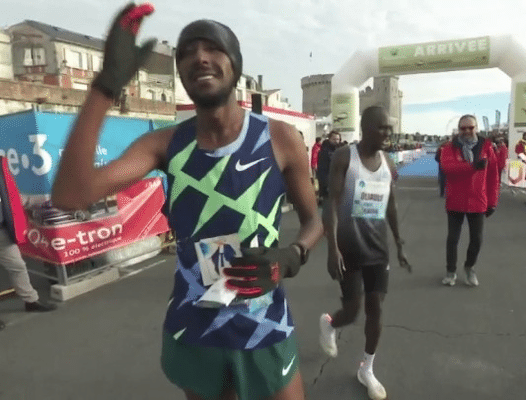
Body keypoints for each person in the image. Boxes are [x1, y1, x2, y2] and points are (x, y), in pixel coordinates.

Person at [51, 5, 323, 400]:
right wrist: (105, 87)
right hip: (195, 324)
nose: (199, 57)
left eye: (212, 47)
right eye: (187, 52)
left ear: (236, 64)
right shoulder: (164, 144)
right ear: (180, 73)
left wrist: (293, 255)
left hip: (264, 320)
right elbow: (70, 195)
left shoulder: (280, 139)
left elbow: (315, 220)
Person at [318, 106, 411, 400]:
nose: (387, 133)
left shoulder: (387, 161)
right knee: (353, 310)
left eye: (389, 128)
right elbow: (331, 204)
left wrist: (397, 241)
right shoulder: (345, 157)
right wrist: (332, 248)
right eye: (381, 128)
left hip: (378, 251)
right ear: (365, 127)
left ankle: (366, 369)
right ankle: (330, 323)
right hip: (349, 248)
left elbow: (391, 203)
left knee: (376, 309)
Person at [440, 115, 499, 287]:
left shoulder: (487, 147)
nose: (466, 131)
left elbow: (493, 176)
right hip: (455, 200)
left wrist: (492, 201)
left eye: (470, 128)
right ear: (458, 130)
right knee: (452, 239)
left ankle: (469, 267)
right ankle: (450, 271)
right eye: (463, 128)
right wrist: (472, 167)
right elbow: (448, 168)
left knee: (477, 239)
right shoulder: (449, 148)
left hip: (478, 201)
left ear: (476, 128)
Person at [1, 156, 57, 331]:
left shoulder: (2, 175)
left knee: (17, 266)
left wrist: (48, 198)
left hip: (2, 231)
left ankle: (31, 301)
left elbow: (15, 199)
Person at [316, 130, 342, 202]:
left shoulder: (340, 151)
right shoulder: (324, 152)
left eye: (338, 139)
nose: (336, 141)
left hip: (338, 184)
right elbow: (322, 170)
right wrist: (326, 185)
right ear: (329, 139)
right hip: (328, 185)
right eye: (334, 139)